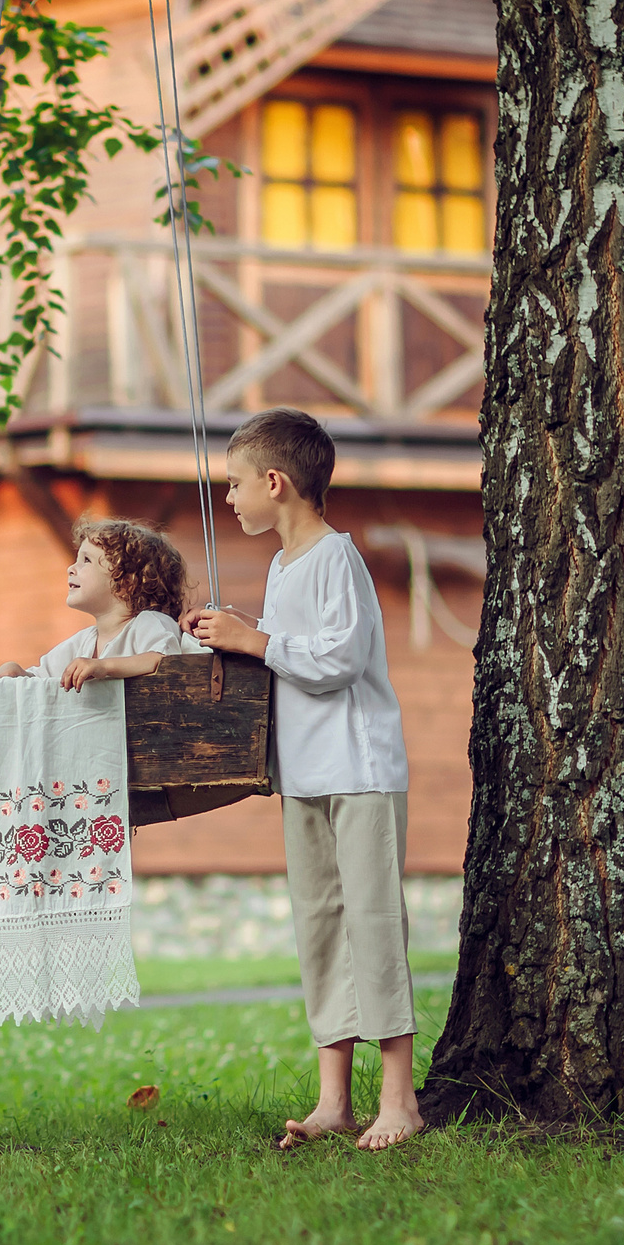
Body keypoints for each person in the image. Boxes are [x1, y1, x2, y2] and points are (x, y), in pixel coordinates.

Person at [185, 407, 418, 1150]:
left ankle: (399, 1100)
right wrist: (237, 638)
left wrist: (256, 640)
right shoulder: (283, 566)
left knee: (372, 922)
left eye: (235, 483)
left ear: (275, 483)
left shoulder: (336, 557)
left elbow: (339, 659)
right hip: (306, 775)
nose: (228, 498)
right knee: (319, 925)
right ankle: (333, 1101)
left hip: (359, 770)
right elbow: (289, 651)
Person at [0, 518, 205, 690]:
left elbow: (165, 661)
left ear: (127, 582)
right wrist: (18, 673)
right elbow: (42, 678)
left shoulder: (150, 622)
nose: (71, 568)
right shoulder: (82, 642)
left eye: (86, 560)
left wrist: (104, 666)